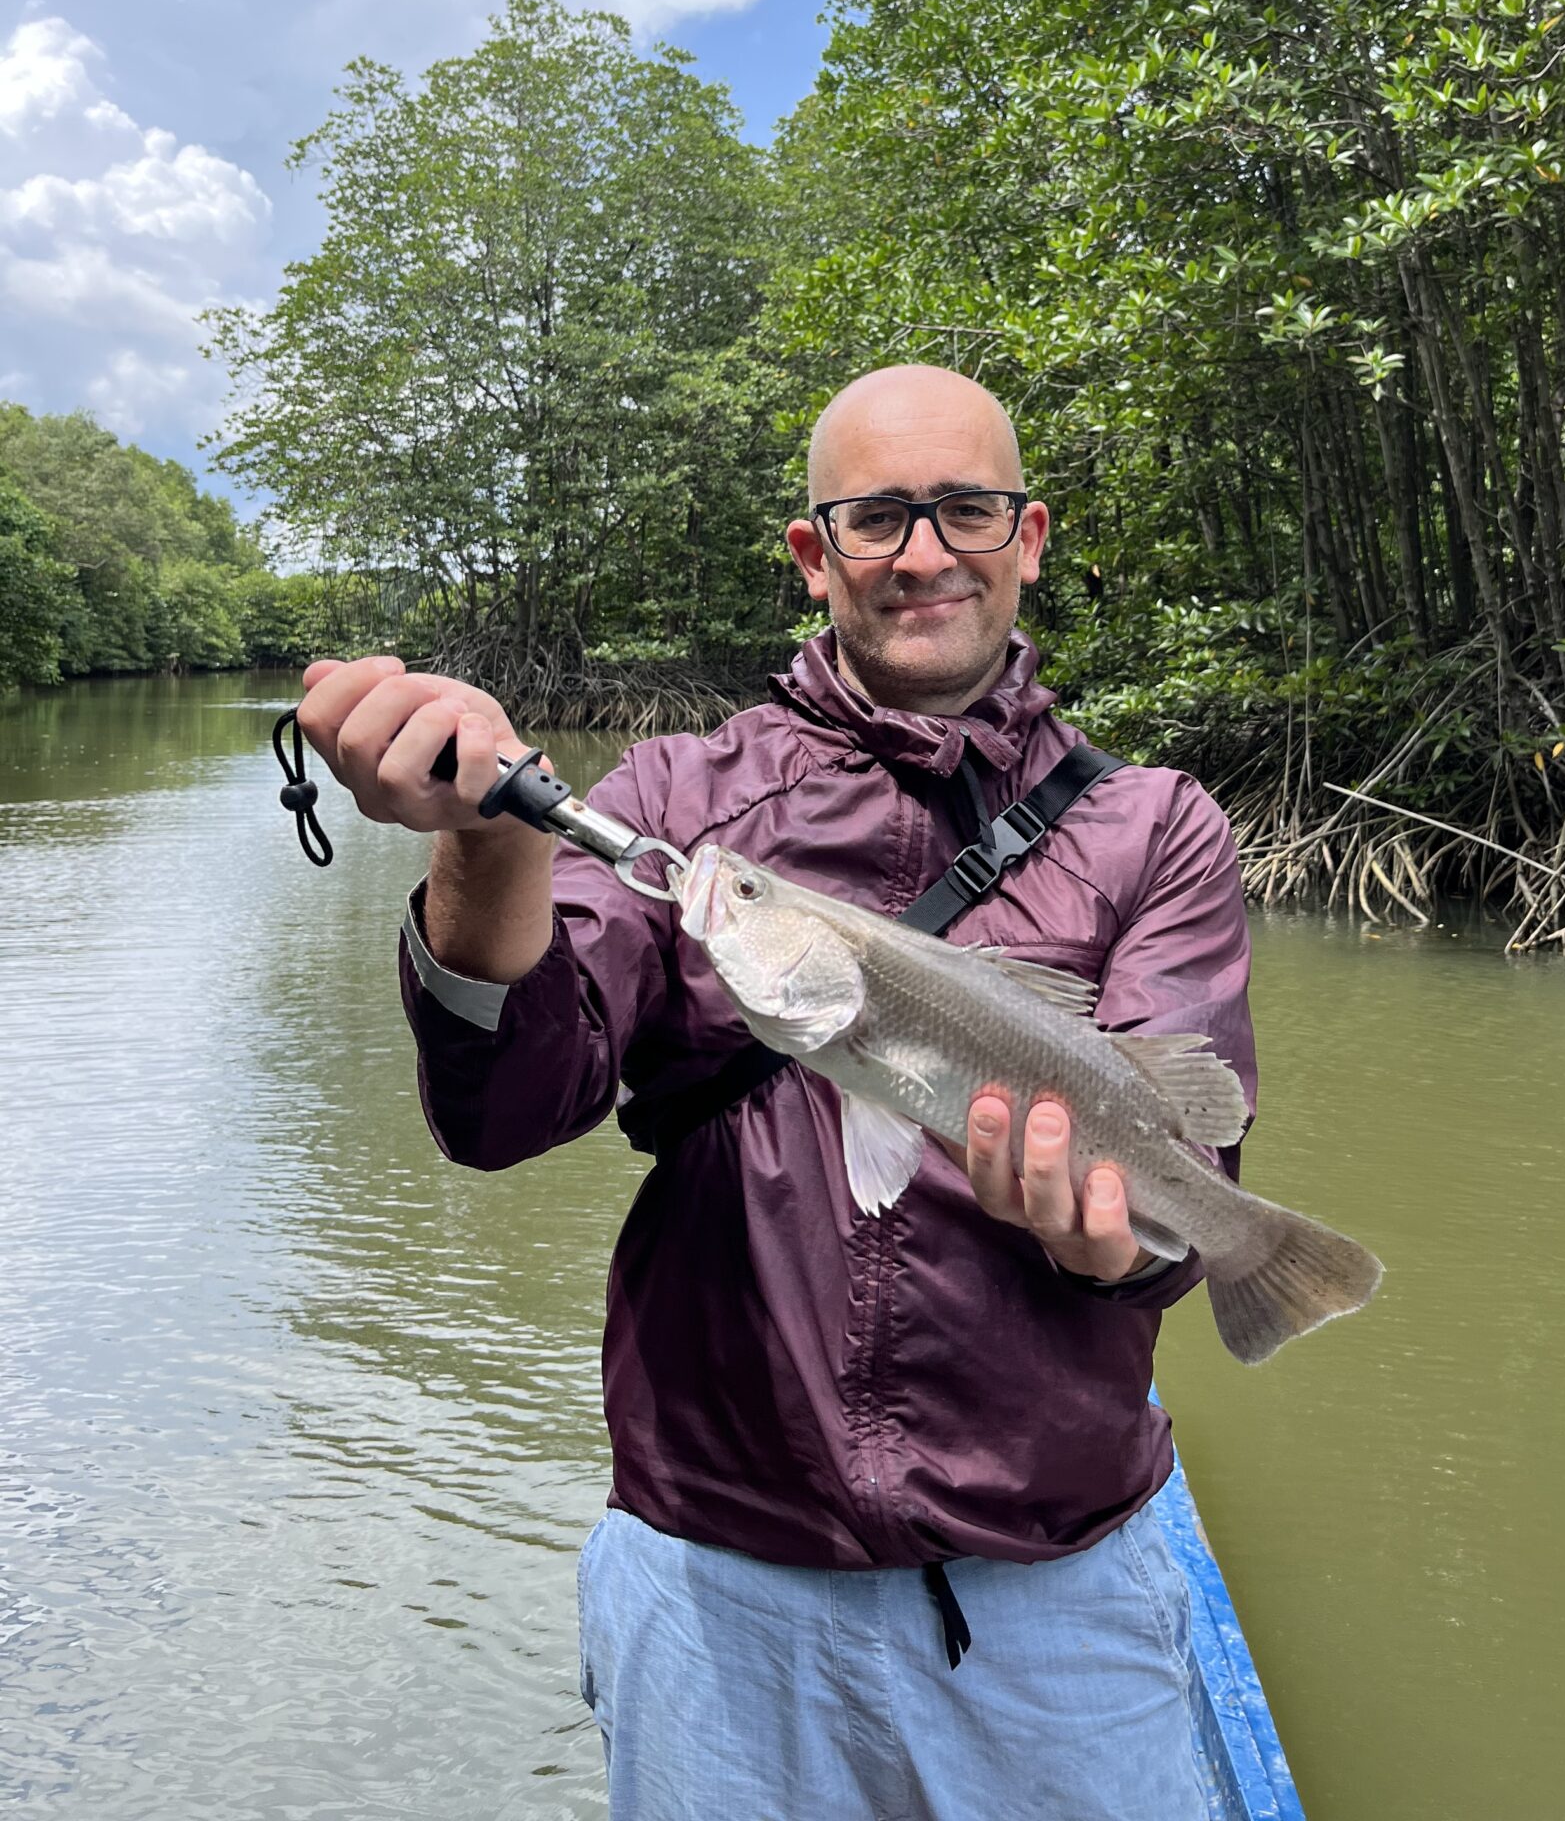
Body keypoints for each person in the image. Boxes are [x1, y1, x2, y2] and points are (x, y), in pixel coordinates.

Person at [297, 363, 1255, 1821]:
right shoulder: (680, 804)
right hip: (715, 1587)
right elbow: (503, 1111)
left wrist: (1101, 1242)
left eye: (966, 511)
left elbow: (1179, 1215)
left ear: (1031, 536)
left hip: (1055, 1596)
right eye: (877, 517)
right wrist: (487, 840)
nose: (924, 552)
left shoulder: (1152, 828)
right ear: (817, 557)